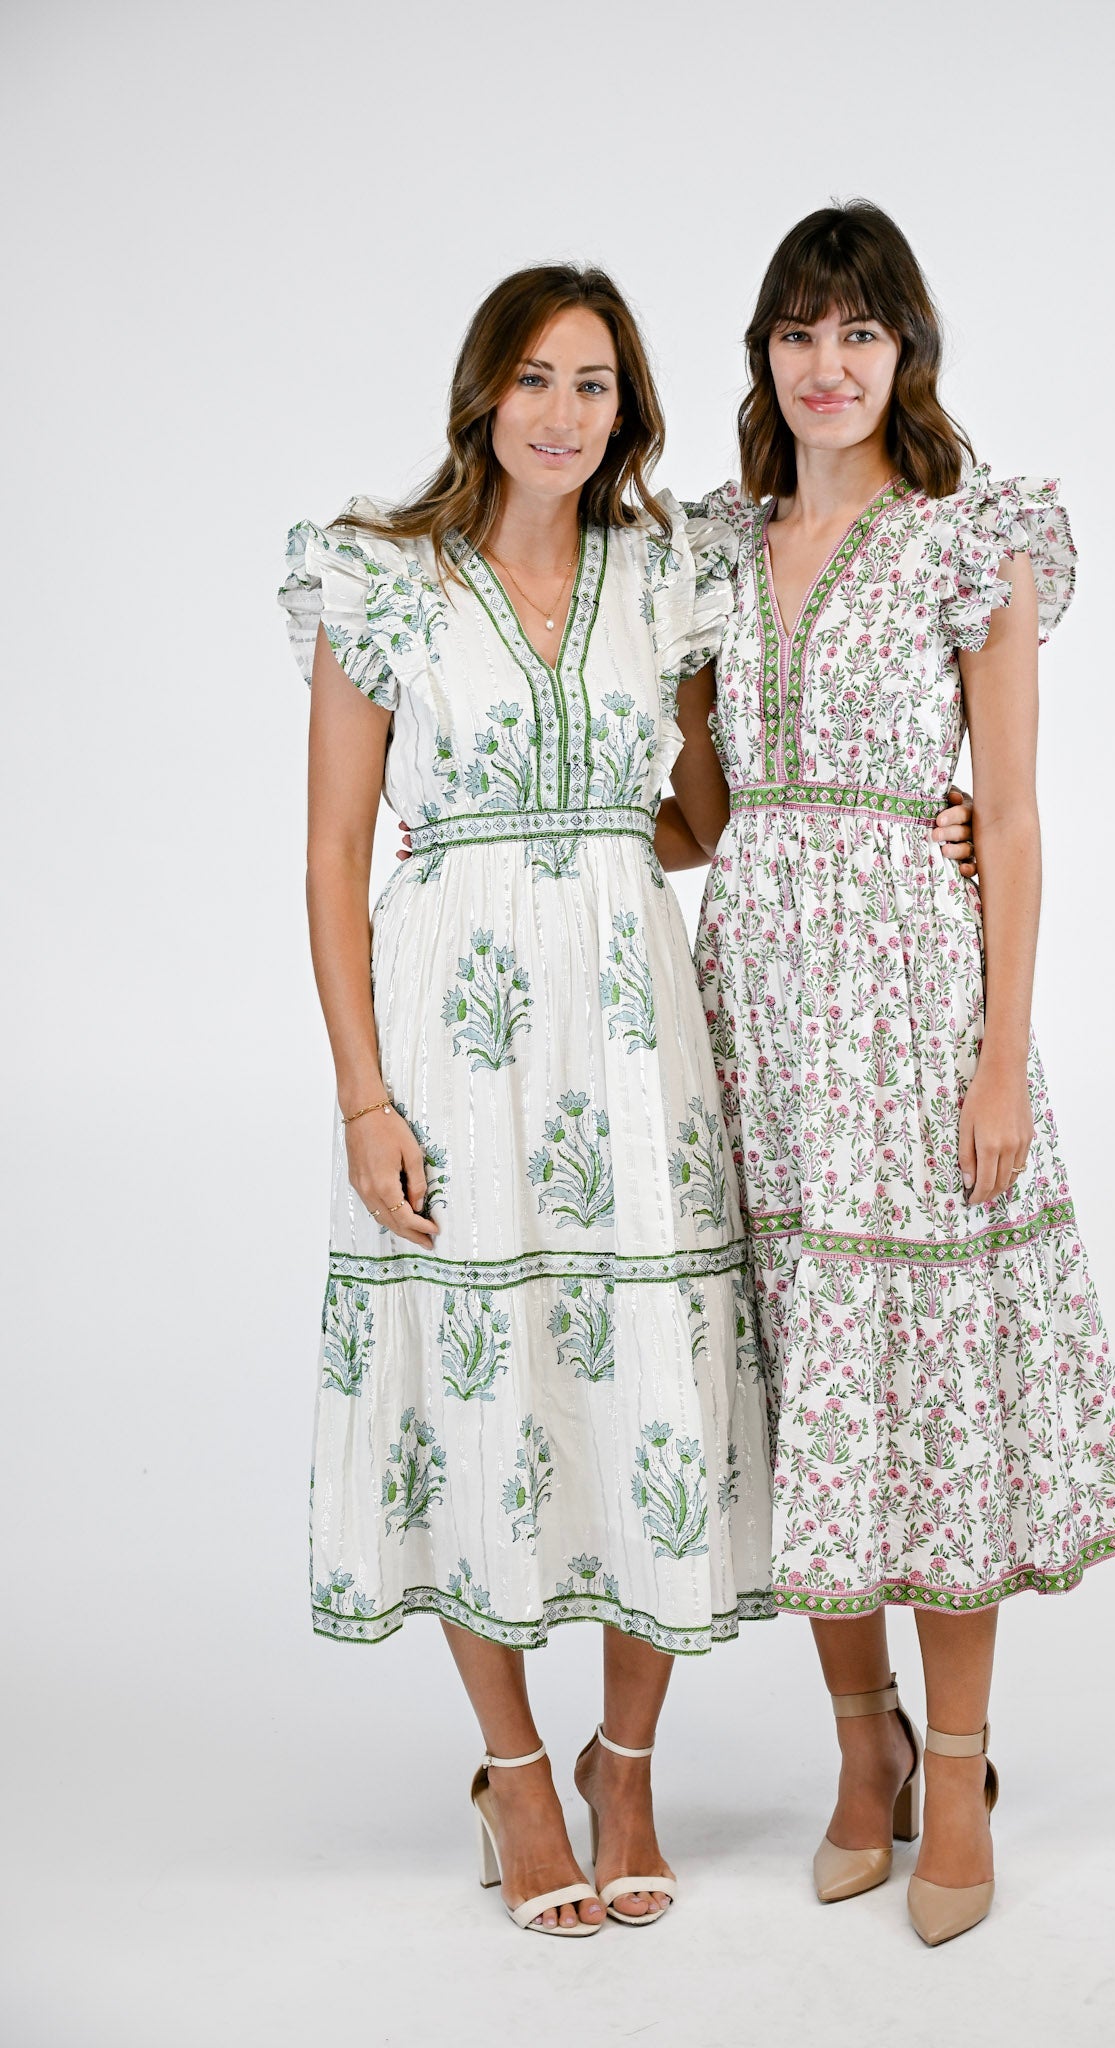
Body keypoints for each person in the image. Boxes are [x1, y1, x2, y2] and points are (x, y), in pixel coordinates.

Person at [668, 202, 1115, 1946]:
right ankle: (854, 1746)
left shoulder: (970, 537)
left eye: (859, 332)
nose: (828, 365)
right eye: (799, 332)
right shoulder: (713, 547)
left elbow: (1005, 815)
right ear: (763, 354)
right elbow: (698, 817)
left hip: (910, 1001)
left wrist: (998, 1061)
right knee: (806, 1375)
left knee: (924, 1379)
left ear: (906, 352)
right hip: (756, 1000)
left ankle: (954, 1767)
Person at [279, 265, 777, 1935]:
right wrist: (364, 1099)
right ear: (483, 391)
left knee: (651, 1383)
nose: (565, 413)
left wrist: (924, 815)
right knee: (469, 1384)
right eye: (538, 378)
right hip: (455, 1035)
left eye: (596, 383)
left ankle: (622, 1764)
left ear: (627, 409)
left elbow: (698, 819)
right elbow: (333, 856)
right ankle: (510, 1772)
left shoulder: (663, 578)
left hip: (633, 1033)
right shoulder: (381, 578)